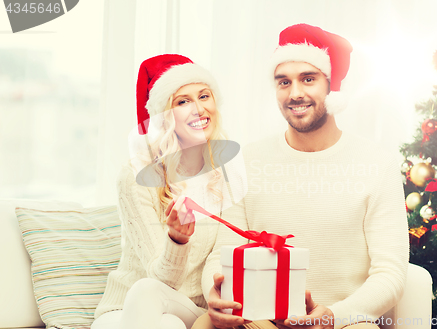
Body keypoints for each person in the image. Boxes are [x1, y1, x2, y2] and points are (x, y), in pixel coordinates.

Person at [195, 24, 409, 329]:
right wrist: (214, 295)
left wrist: (334, 316)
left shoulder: (377, 165)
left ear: (331, 86)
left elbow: (391, 274)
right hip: (258, 320)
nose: (295, 94)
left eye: (308, 79)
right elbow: (220, 255)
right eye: (284, 82)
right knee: (206, 324)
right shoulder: (245, 162)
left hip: (341, 323)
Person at [91, 54, 234, 329]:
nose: (198, 109)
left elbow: (221, 258)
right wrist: (177, 240)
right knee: (154, 304)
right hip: (124, 310)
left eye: (204, 96)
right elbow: (160, 282)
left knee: (169, 320)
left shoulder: (225, 175)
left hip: (190, 309)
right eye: (182, 102)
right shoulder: (136, 176)